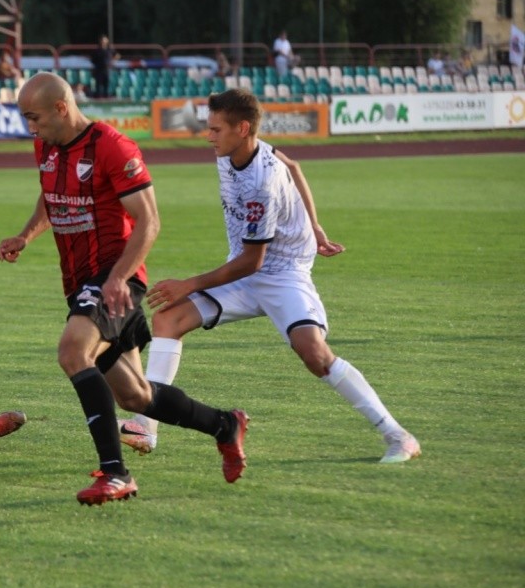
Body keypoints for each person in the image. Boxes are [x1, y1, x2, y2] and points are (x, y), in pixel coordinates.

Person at [123, 88, 421, 465]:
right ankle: (147, 427)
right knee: (168, 318)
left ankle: (398, 435)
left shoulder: (261, 183)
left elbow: (254, 261)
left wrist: (190, 284)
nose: (208, 135)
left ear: (242, 128)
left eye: (216, 129)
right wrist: (314, 225)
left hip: (281, 274)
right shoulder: (238, 150)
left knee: (315, 354)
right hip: (245, 267)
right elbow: (295, 167)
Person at [0, 72, 249, 506]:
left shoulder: (113, 147)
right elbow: (51, 195)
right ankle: (225, 425)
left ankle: (115, 474)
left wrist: (116, 279)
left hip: (116, 278)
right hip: (81, 283)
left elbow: (149, 221)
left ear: (61, 107)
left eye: (34, 117)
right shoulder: (46, 147)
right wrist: (26, 235)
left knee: (73, 351)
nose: (30, 128)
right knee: (135, 393)